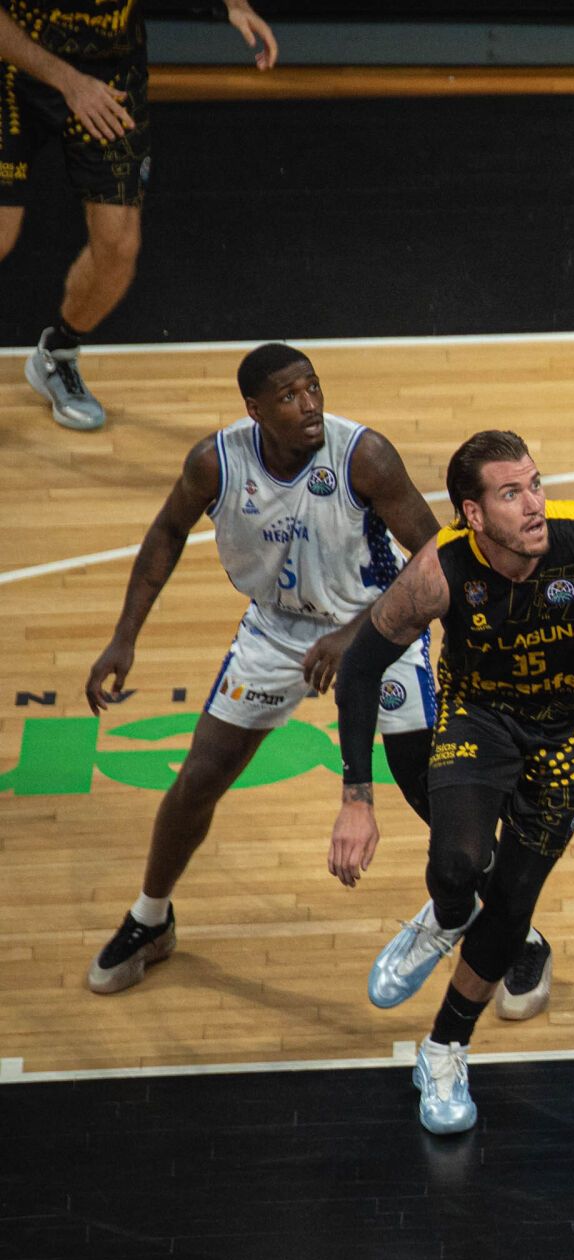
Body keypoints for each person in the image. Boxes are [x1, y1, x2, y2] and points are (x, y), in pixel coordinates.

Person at [327, 429, 574, 1135]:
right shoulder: (441, 572)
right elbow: (360, 665)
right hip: (484, 713)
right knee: (459, 860)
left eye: (535, 483)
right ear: (473, 513)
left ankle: (442, 1048)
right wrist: (356, 797)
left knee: (517, 893)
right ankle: (445, 910)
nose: (534, 503)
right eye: (510, 493)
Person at [82, 343, 438, 995]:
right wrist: (123, 638)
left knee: (435, 792)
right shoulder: (215, 462)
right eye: (289, 395)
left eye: (313, 388)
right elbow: (165, 532)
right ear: (255, 409)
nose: (310, 404)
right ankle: (150, 918)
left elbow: (436, 552)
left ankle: (514, 929)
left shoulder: (363, 455)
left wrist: (353, 634)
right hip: (275, 629)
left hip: (378, 622)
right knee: (199, 776)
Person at [0, 0, 276, 430]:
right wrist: (70, 83)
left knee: (118, 248)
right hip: (12, 70)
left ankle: (57, 354)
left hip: (110, 71)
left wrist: (232, 4)